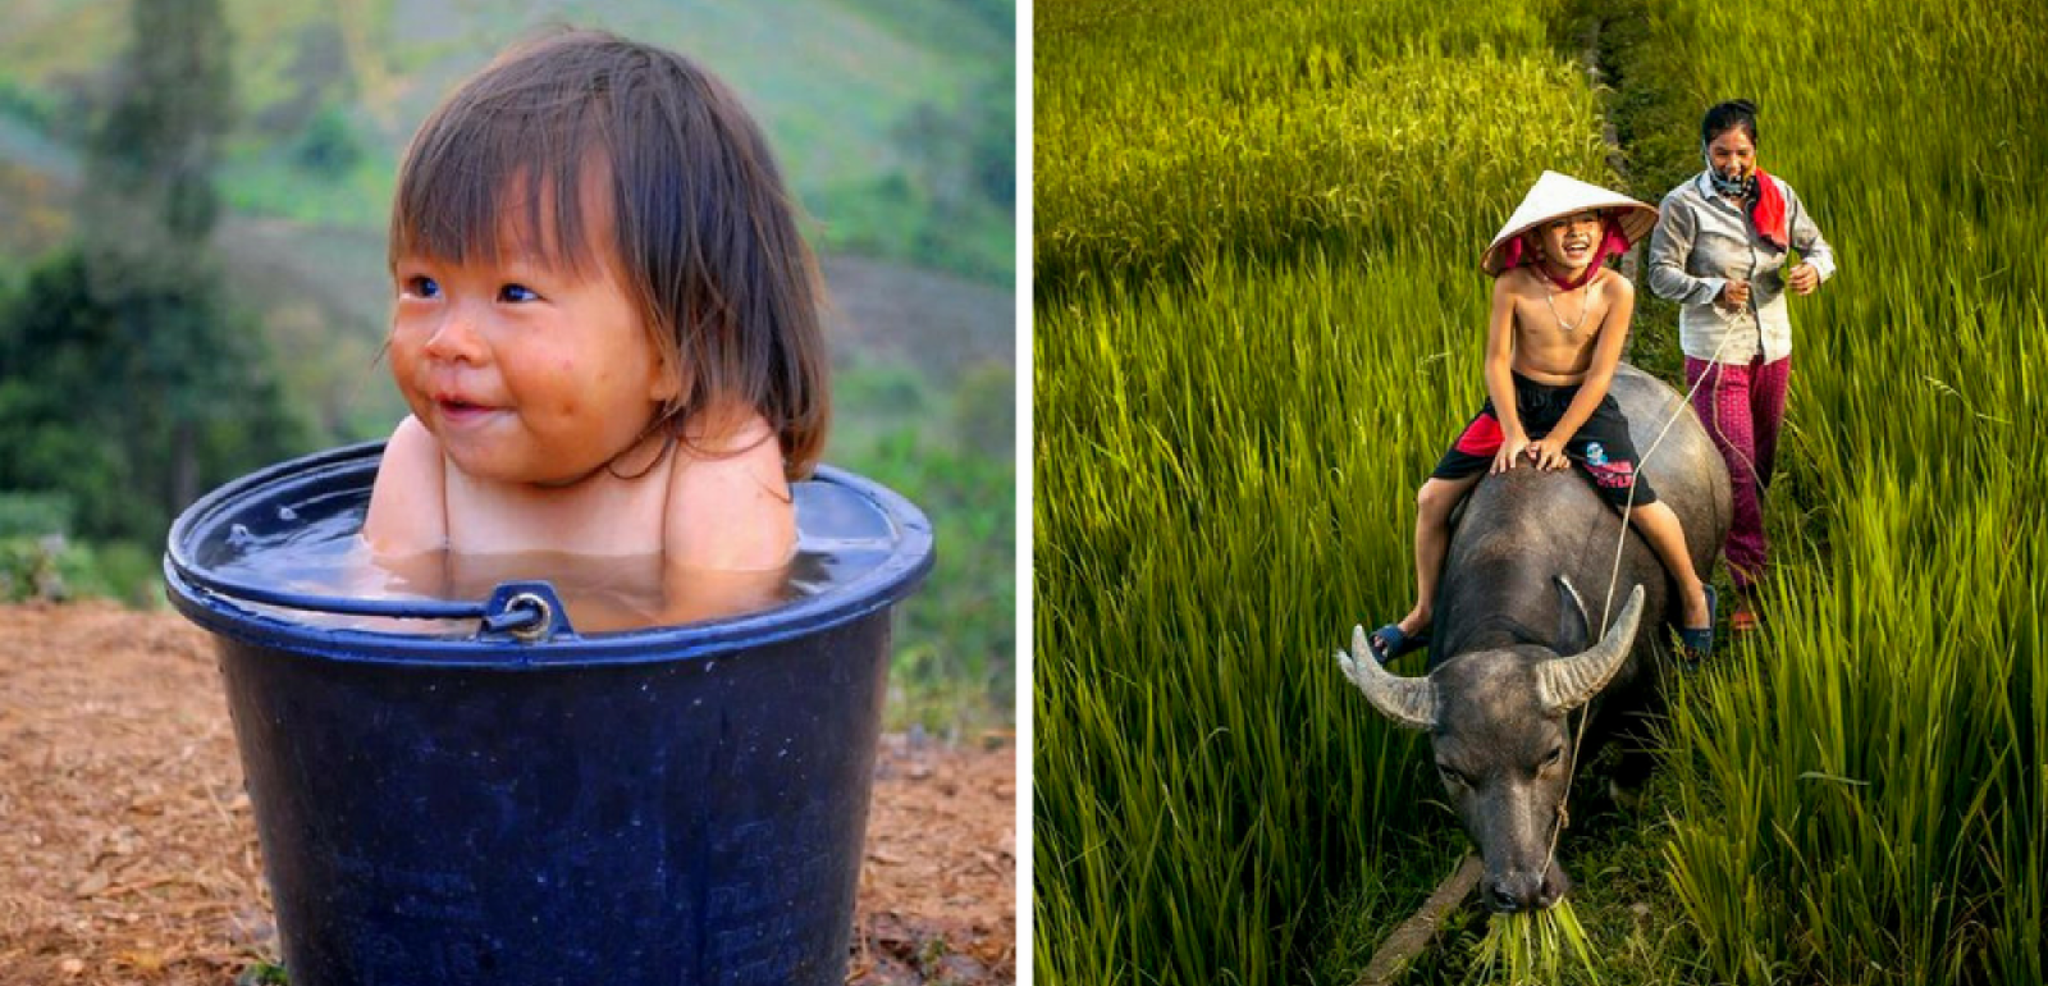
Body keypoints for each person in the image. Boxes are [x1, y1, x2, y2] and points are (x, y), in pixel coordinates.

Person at [361, 29, 830, 624]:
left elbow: (718, 666)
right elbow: (375, 638)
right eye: (424, 287)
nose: (446, 340)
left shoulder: (713, 461)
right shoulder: (425, 460)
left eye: (515, 293)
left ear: (675, 349)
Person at [1368, 171, 1715, 663]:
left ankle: (1693, 592)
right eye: (1562, 225)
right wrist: (1512, 431)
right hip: (1518, 401)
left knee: (1637, 500)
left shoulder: (1615, 290)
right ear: (1534, 239)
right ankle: (1425, 611)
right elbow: (1495, 360)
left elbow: (1599, 377)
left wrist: (1558, 440)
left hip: (1583, 407)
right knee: (1431, 499)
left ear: (1605, 228)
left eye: (1588, 220)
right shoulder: (1514, 285)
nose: (1577, 232)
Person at [1647, 99, 1834, 632]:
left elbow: (1818, 248)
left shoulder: (1778, 195)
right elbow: (1659, 275)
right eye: (1721, 151)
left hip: (1772, 344)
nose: (1732, 162)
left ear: (1756, 151)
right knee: (1736, 468)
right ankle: (1748, 585)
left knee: (1762, 462)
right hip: (1715, 349)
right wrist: (1710, 289)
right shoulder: (1683, 204)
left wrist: (1813, 273)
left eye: (1742, 152)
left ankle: (1739, 530)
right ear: (1704, 149)